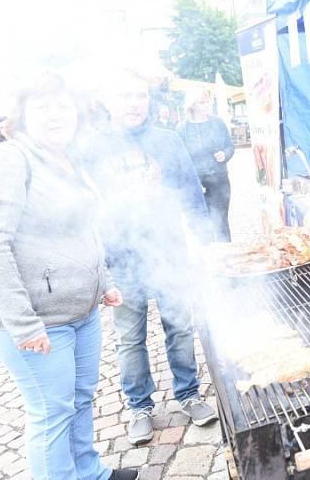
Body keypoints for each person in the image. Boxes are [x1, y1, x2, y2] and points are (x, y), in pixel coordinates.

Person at [0, 74, 138, 480]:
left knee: (80, 399)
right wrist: (23, 325)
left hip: (82, 312)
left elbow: (86, 230)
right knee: (51, 413)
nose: (55, 115)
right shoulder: (11, 159)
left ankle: (90, 472)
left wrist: (105, 280)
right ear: (24, 115)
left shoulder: (70, 160)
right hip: (38, 320)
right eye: (43, 107)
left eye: (63, 105)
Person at [85, 70, 216, 446]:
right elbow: (85, 209)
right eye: (125, 95)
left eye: (141, 96)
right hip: (121, 261)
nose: (134, 103)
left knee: (179, 327)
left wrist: (206, 244)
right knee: (130, 339)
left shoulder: (168, 140)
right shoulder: (93, 148)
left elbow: (192, 194)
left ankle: (188, 394)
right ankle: (139, 406)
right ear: (108, 101)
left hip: (170, 253)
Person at [177, 88, 235, 242]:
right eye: (202, 102)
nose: (207, 105)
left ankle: (227, 254)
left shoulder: (218, 123)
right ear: (192, 105)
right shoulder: (182, 128)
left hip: (219, 180)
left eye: (208, 101)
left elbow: (230, 146)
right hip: (195, 183)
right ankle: (208, 257)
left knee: (221, 220)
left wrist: (225, 154)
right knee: (200, 223)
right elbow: (180, 158)